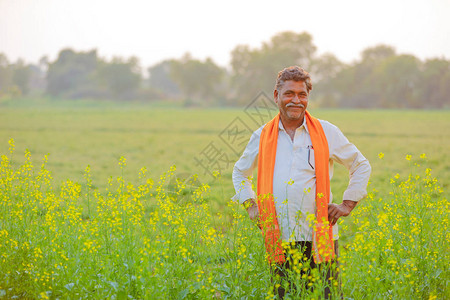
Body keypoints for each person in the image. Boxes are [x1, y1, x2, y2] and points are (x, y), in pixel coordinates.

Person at [232, 66, 371, 299]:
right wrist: (251, 205)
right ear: (276, 96)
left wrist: (348, 203)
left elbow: (360, 164)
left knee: (326, 295)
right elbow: (239, 172)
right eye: (289, 93)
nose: (295, 100)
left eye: (302, 94)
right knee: (284, 295)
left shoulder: (327, 132)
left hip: (320, 236)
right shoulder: (262, 135)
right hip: (279, 237)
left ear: (307, 97)